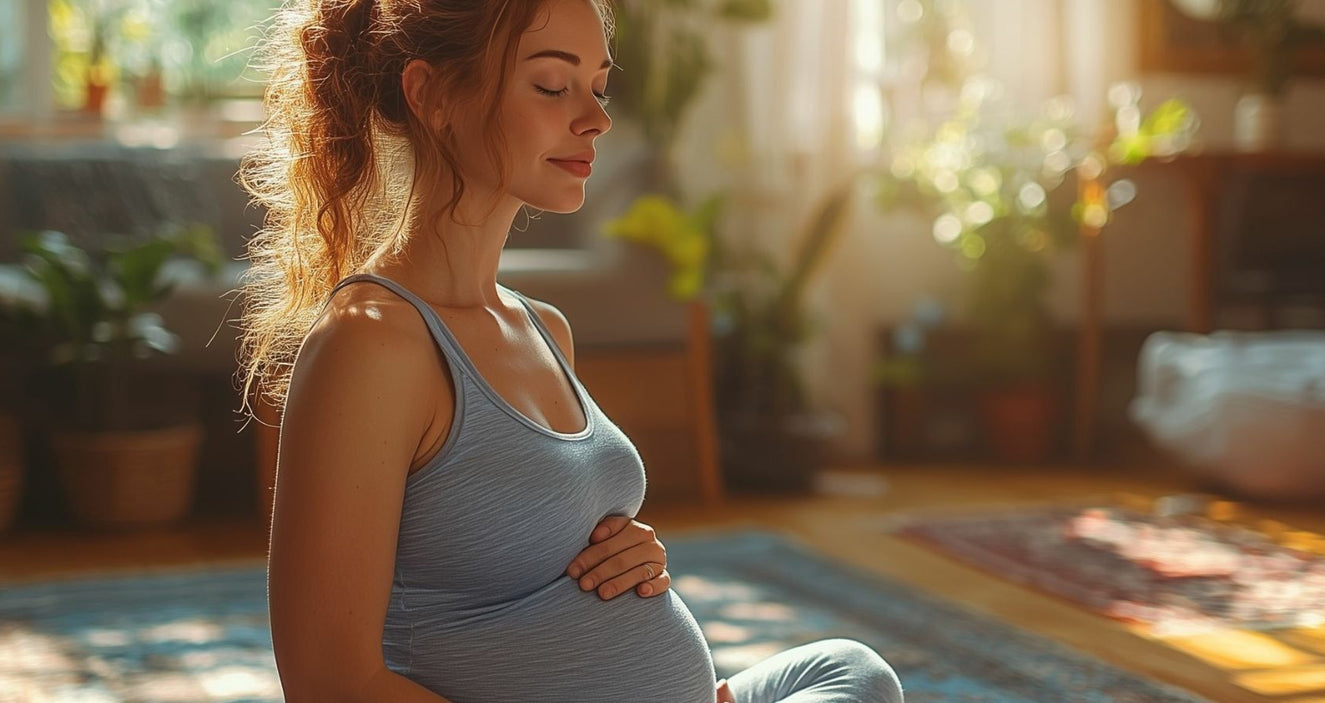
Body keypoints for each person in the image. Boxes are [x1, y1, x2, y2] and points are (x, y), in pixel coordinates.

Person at [235, 0, 906, 701]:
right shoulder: (369, 343)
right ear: (432, 95)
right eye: (554, 87)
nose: (596, 119)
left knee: (851, 670)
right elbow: (329, 682)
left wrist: (631, 557)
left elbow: (525, 543)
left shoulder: (544, 329)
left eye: (598, 87)